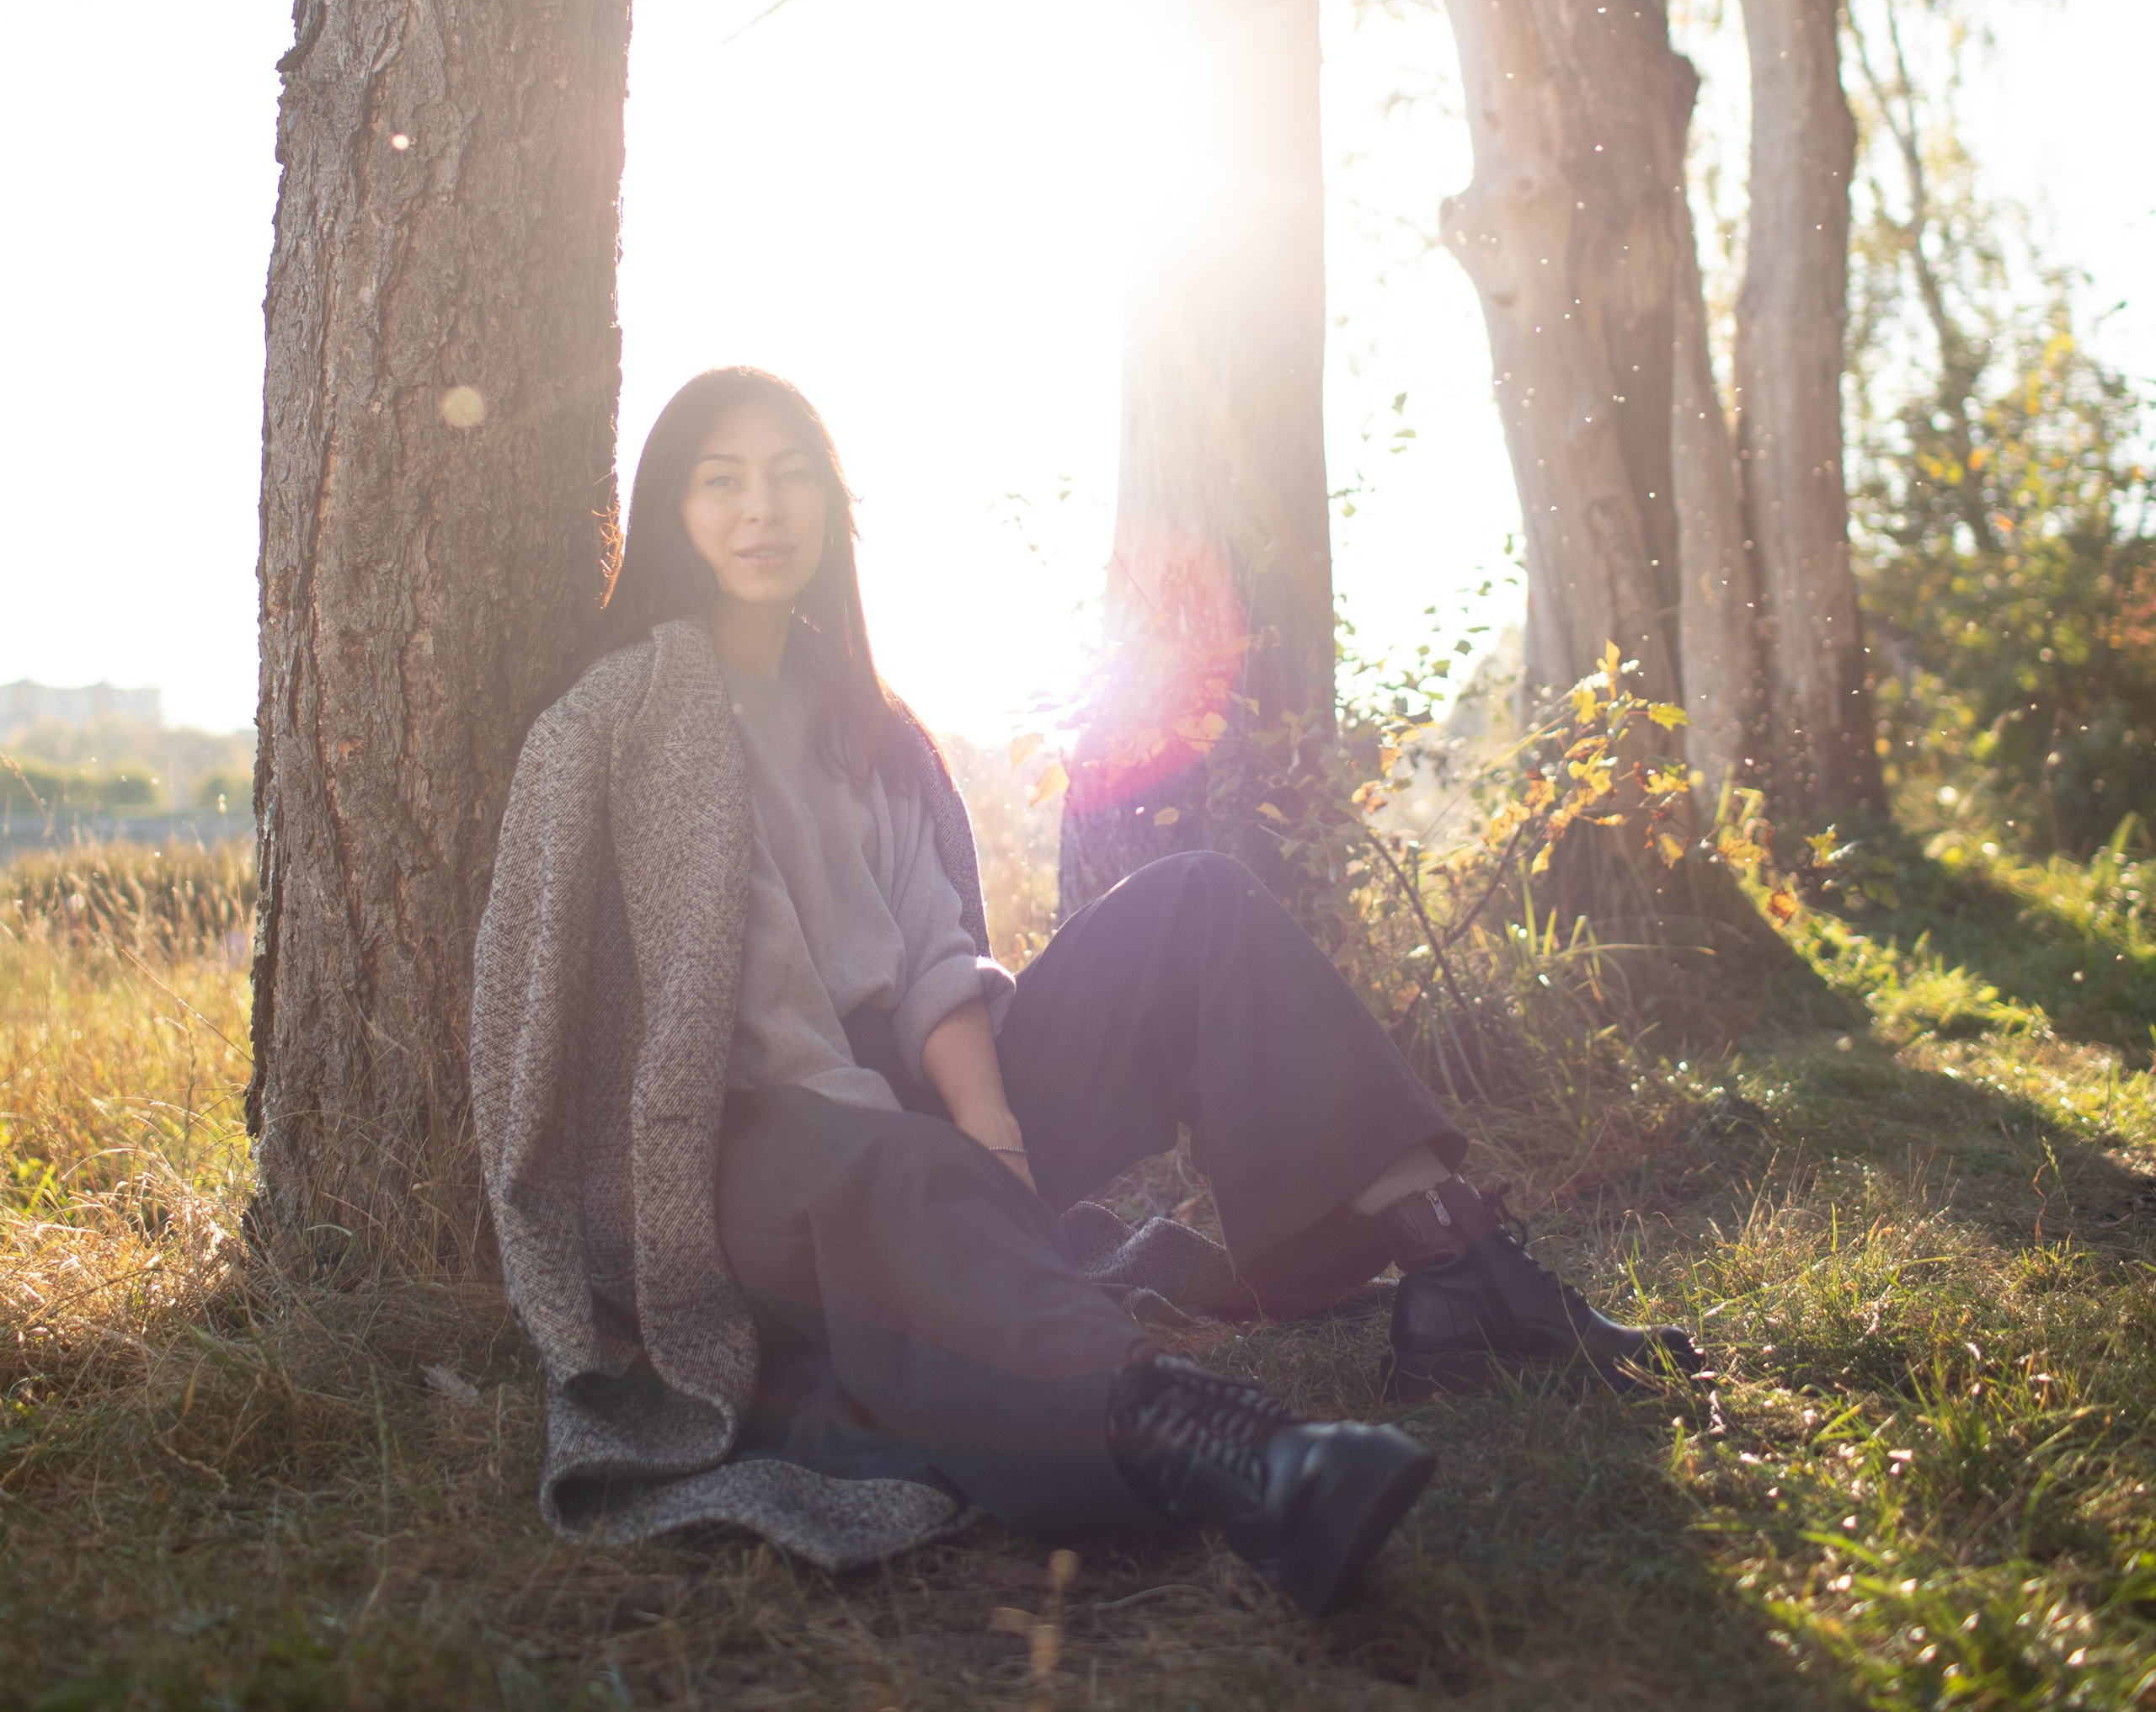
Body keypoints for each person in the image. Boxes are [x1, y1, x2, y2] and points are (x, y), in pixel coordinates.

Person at [472, 367, 1701, 1619]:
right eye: (719, 480)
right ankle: (1237, 1455)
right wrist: (917, 1154)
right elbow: (593, 1019)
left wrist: (991, 1133)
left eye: (789, 476)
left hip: (918, 1123)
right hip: (751, 1159)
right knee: (892, 1168)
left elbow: (938, 961)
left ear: (833, 507)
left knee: (1198, 904)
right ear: (668, 510)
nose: (760, 510)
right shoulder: (615, 716)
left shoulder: (866, 720)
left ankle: (1460, 1275)